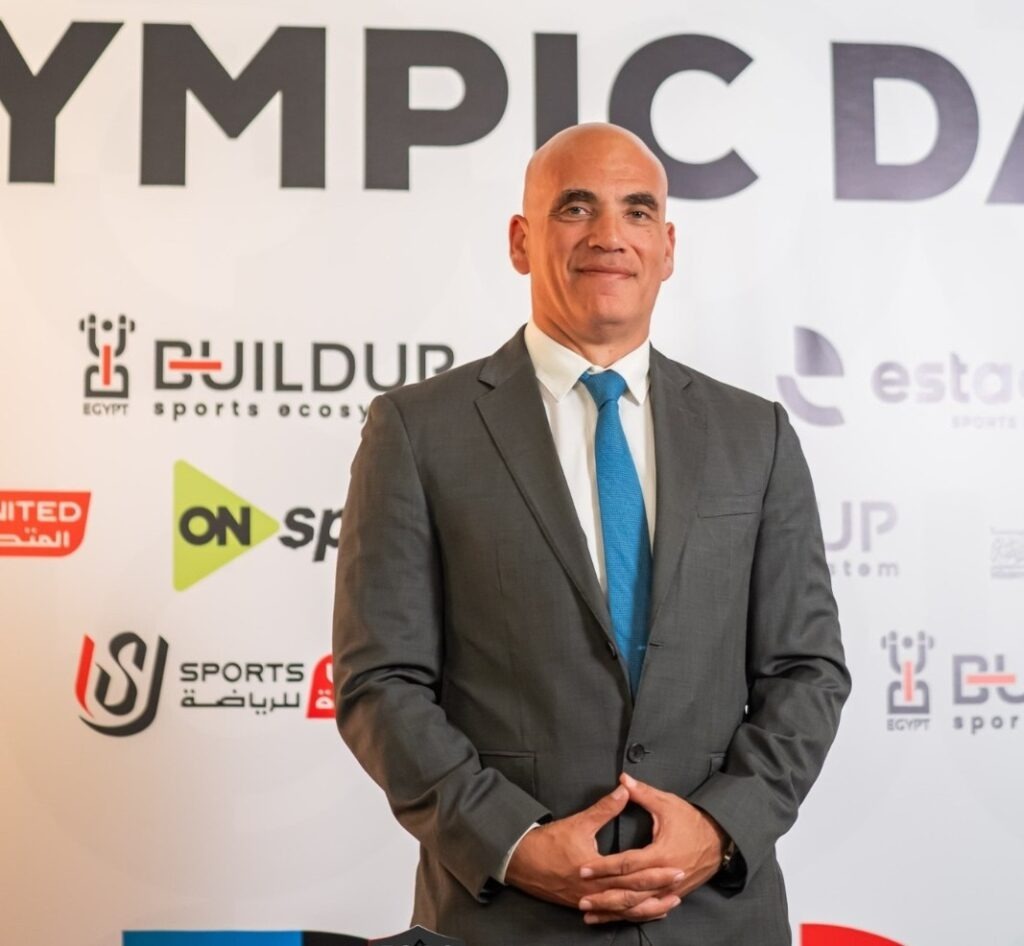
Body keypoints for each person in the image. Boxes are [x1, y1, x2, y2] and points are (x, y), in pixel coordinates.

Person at [332, 123, 851, 946]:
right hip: (507, 919)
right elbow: (381, 681)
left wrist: (719, 829)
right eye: (576, 208)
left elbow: (806, 668)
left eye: (637, 212)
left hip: (716, 920)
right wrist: (514, 842)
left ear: (667, 247)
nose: (610, 235)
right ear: (521, 240)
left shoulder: (757, 436)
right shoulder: (417, 431)